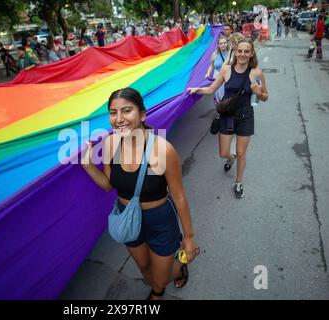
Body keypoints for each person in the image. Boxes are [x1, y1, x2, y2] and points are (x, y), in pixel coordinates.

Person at [81, 87, 199, 300]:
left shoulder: (162, 150)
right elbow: (109, 185)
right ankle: (156, 289)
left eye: (126, 111)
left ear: (142, 115)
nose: (119, 119)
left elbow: (179, 196)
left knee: (161, 278)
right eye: (113, 112)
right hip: (128, 218)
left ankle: (176, 270)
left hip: (160, 222)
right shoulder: (110, 144)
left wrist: (189, 238)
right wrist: (88, 165)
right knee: (144, 267)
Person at [188, 39, 269, 199]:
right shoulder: (226, 70)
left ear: (251, 53)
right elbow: (211, 89)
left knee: (241, 153)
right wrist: (196, 89)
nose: (243, 54)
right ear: (235, 52)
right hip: (227, 115)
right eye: (240, 51)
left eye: (246, 51)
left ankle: (238, 182)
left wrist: (258, 92)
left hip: (245, 116)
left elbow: (265, 97)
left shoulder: (256, 73)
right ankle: (230, 158)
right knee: (223, 152)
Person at [205, 36, 230, 104]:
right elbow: (211, 66)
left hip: (228, 76)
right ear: (218, 45)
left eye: (225, 43)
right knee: (218, 95)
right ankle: (221, 110)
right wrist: (208, 73)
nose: (223, 45)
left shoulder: (231, 53)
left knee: (228, 95)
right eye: (221, 43)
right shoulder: (214, 54)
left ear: (227, 43)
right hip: (217, 76)